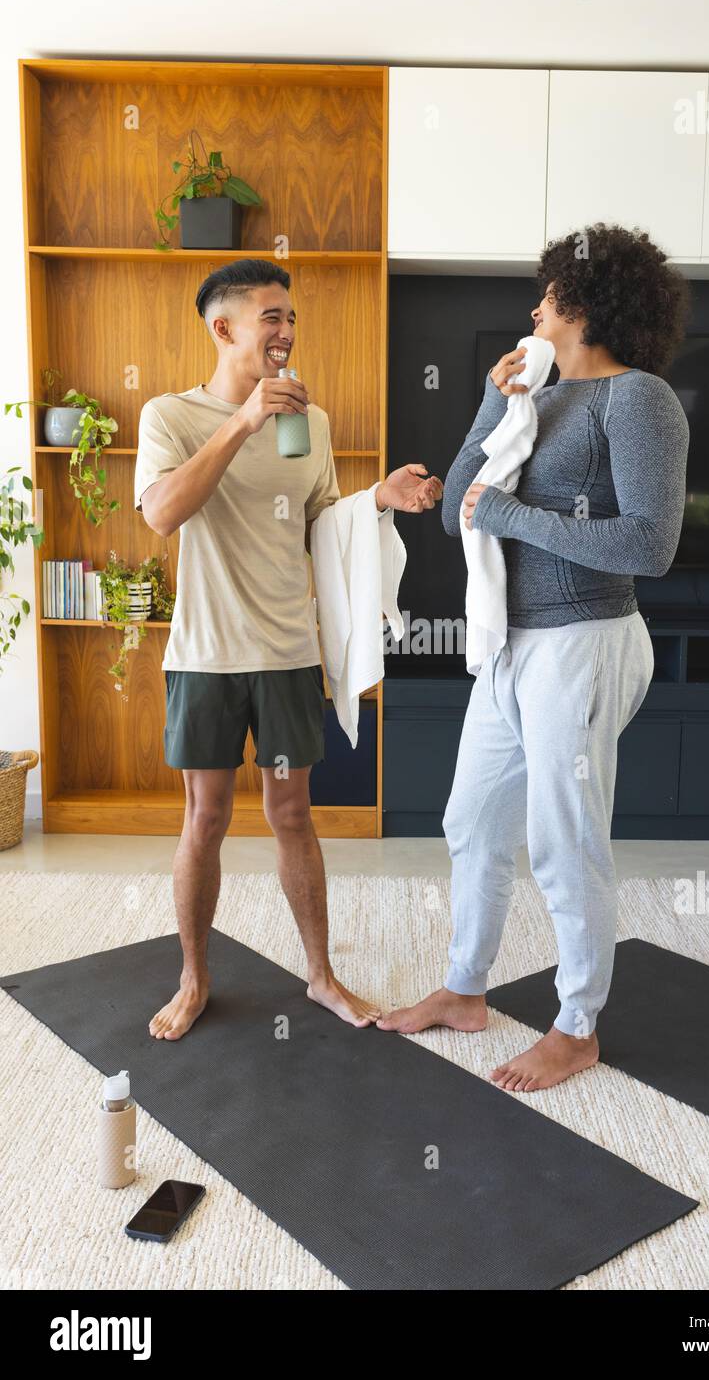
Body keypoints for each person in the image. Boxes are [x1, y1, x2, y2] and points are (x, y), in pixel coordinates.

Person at [377, 224, 690, 1092]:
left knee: (563, 838)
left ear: (583, 308)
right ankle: (465, 990)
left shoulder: (639, 401)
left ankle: (577, 1026)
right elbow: (453, 515)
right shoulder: (539, 400)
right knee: (472, 820)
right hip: (511, 645)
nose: (532, 310)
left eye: (546, 298)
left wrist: (515, 519)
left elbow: (649, 544)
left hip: (586, 641)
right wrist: (491, 400)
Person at [135, 258, 443, 1041]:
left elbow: (319, 524)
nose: (286, 331)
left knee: (293, 813)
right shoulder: (169, 416)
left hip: (285, 653)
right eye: (271, 316)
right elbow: (163, 513)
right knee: (204, 818)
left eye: (291, 317)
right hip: (205, 655)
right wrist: (240, 423)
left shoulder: (312, 421)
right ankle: (195, 977)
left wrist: (378, 499)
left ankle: (321, 976)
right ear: (225, 327)